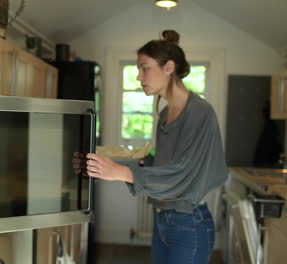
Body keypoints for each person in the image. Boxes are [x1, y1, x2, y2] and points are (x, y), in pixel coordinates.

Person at [85, 30, 228, 264]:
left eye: (144, 68)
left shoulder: (200, 112)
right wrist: (103, 165)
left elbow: (181, 174)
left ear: (168, 67)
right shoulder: (165, 114)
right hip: (163, 218)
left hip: (189, 224)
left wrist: (121, 171)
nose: (139, 77)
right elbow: (161, 164)